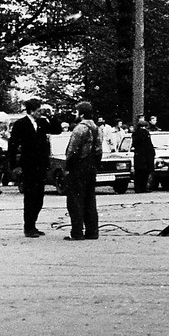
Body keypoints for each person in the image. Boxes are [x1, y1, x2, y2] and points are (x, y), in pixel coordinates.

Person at [6, 99, 52, 237]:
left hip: (41, 164)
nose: (40, 113)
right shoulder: (20, 124)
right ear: (32, 111)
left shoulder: (43, 122)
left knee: (39, 196)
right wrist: (14, 165)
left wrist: (51, 116)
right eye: (39, 111)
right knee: (30, 196)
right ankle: (28, 226)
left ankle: (34, 223)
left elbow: (56, 129)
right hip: (28, 165)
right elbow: (12, 146)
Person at [64, 103, 101, 241]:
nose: (75, 114)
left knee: (75, 200)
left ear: (82, 114)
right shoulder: (97, 128)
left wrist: (68, 167)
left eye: (76, 111)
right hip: (91, 167)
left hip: (78, 167)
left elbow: (72, 150)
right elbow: (99, 151)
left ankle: (77, 232)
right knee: (90, 200)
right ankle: (92, 232)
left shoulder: (80, 128)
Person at [130, 117, 155, 195]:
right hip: (146, 156)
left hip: (138, 156)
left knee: (138, 173)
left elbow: (134, 144)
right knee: (145, 172)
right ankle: (143, 187)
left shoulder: (135, 133)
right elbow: (149, 144)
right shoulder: (145, 133)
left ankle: (137, 188)